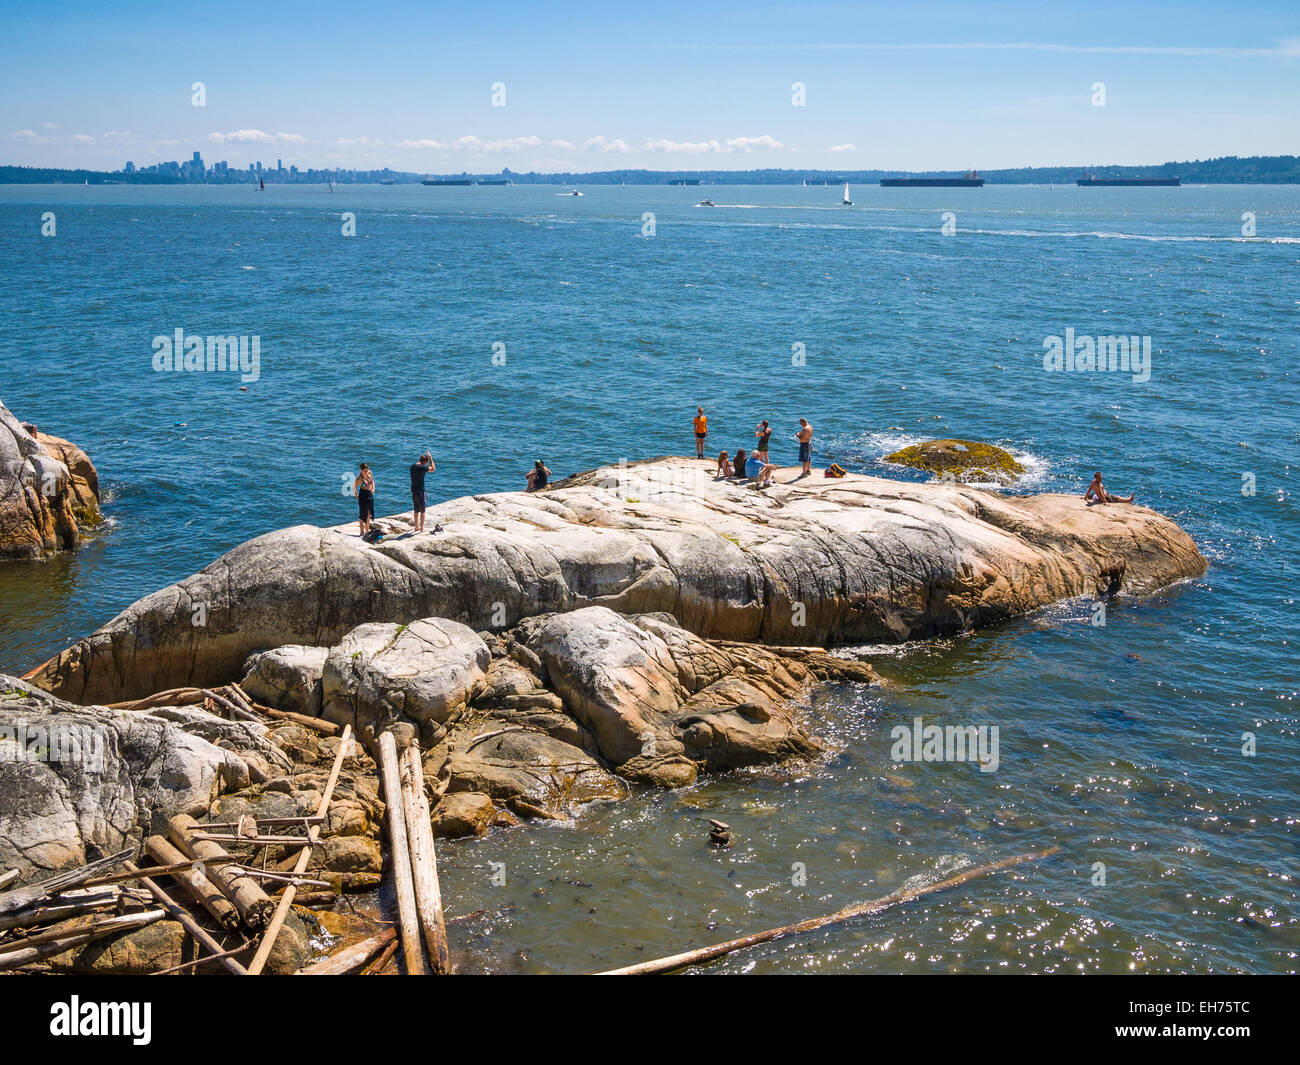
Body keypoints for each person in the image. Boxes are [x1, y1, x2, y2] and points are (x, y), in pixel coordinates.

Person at [409, 452, 436, 532]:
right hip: (420, 491)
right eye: (425, 463)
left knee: (416, 510)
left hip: (414, 490)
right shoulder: (422, 467)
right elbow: (433, 469)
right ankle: (422, 528)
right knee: (423, 510)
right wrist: (430, 457)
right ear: (424, 462)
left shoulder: (412, 467)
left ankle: (416, 527)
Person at [353, 463, 375, 536]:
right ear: (361, 470)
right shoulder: (359, 479)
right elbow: (354, 487)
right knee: (362, 514)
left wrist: (373, 488)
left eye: (367, 469)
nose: (366, 471)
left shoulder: (370, 473)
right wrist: (356, 495)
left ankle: (367, 530)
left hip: (369, 495)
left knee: (369, 513)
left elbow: (372, 481)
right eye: (364, 470)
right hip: (363, 496)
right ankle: (361, 531)